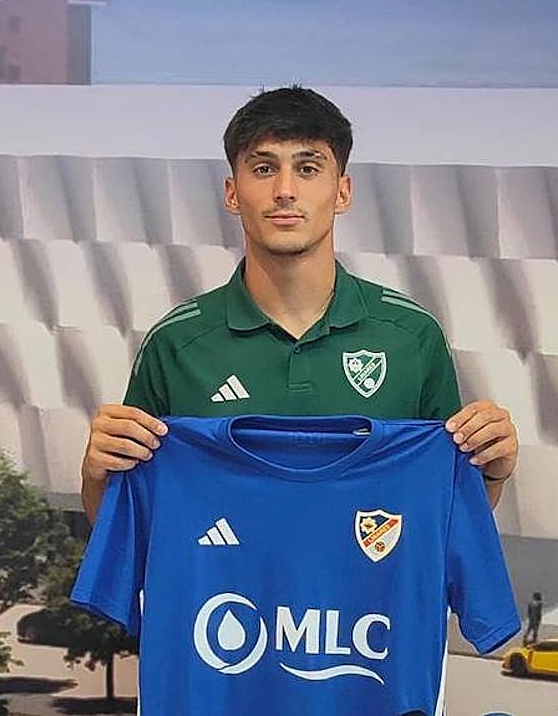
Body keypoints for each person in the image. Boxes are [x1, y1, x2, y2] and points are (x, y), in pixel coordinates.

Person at [80, 85, 520, 526]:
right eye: (264, 168)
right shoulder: (176, 343)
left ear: (342, 192)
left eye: (308, 168)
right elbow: (129, 523)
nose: (285, 190)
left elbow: (446, 512)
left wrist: (491, 473)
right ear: (232, 193)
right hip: (222, 574)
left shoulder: (411, 336)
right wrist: (96, 475)